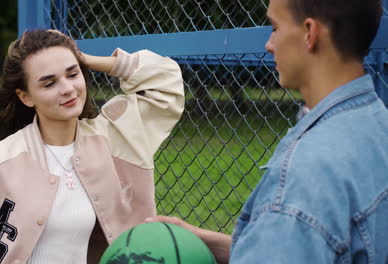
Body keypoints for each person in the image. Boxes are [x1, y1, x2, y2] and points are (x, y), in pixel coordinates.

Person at [146, 0, 388, 263]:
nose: (268, 44)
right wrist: (207, 242)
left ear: (310, 33)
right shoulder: (375, 124)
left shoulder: (305, 175)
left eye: (274, 27)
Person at [0, 30, 184, 263]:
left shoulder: (115, 139)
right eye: (49, 83)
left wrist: (87, 59)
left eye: (73, 74)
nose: (68, 88)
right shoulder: (1, 161)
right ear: (25, 97)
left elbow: (164, 82)